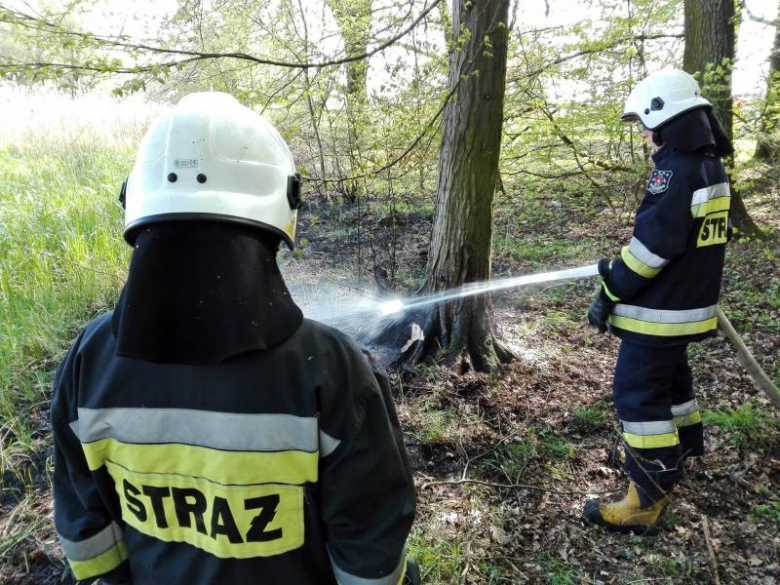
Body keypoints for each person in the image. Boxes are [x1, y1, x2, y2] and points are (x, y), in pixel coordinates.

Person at [51, 92, 418, 584]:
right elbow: (370, 546)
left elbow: (85, 525)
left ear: (136, 201)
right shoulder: (330, 368)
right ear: (282, 205)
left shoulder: (87, 361)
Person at [584, 69, 733, 534]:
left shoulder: (675, 171)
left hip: (660, 315)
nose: (646, 134)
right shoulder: (710, 166)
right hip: (689, 307)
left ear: (665, 116)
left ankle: (646, 497)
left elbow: (653, 248)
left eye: (647, 124)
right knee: (671, 386)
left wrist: (613, 287)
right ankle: (682, 450)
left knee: (637, 394)